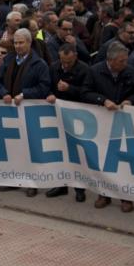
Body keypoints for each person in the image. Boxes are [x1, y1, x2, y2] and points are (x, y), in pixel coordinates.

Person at [0, 28, 50, 196]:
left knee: (30, 148)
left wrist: (25, 95)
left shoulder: (39, 64)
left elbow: (44, 87)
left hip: (29, 113)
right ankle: (13, 179)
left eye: (20, 42)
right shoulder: (9, 60)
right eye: (15, 42)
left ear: (29, 43)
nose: (17, 46)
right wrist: (3, 93)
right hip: (9, 111)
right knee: (13, 146)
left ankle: (33, 182)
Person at [81, 42, 134, 211]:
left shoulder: (130, 71)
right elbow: (85, 92)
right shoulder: (95, 71)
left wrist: (130, 100)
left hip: (124, 122)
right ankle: (104, 194)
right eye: (121, 61)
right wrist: (102, 100)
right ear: (111, 60)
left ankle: (125, 197)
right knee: (104, 160)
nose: (125, 63)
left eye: (126, 60)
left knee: (124, 160)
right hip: (102, 121)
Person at [45, 43, 90, 202]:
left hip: (77, 116)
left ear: (75, 57)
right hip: (57, 114)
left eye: (68, 62)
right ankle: (61, 184)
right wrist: (50, 94)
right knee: (59, 150)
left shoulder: (84, 70)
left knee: (77, 153)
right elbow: (47, 86)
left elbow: (86, 93)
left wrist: (69, 88)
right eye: (62, 61)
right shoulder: (54, 67)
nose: (64, 65)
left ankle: (80, 187)